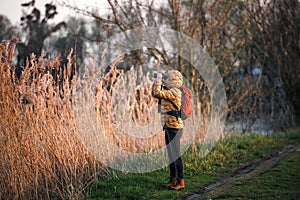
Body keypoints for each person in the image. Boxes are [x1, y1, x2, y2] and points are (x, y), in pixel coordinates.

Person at [152, 70, 185, 190]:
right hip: (169, 126)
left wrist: (158, 79)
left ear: (173, 80)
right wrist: (158, 78)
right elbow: (158, 93)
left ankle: (181, 181)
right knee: (171, 155)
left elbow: (157, 93)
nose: (165, 79)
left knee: (176, 155)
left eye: (167, 78)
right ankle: (173, 179)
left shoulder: (175, 92)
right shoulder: (170, 91)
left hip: (175, 127)